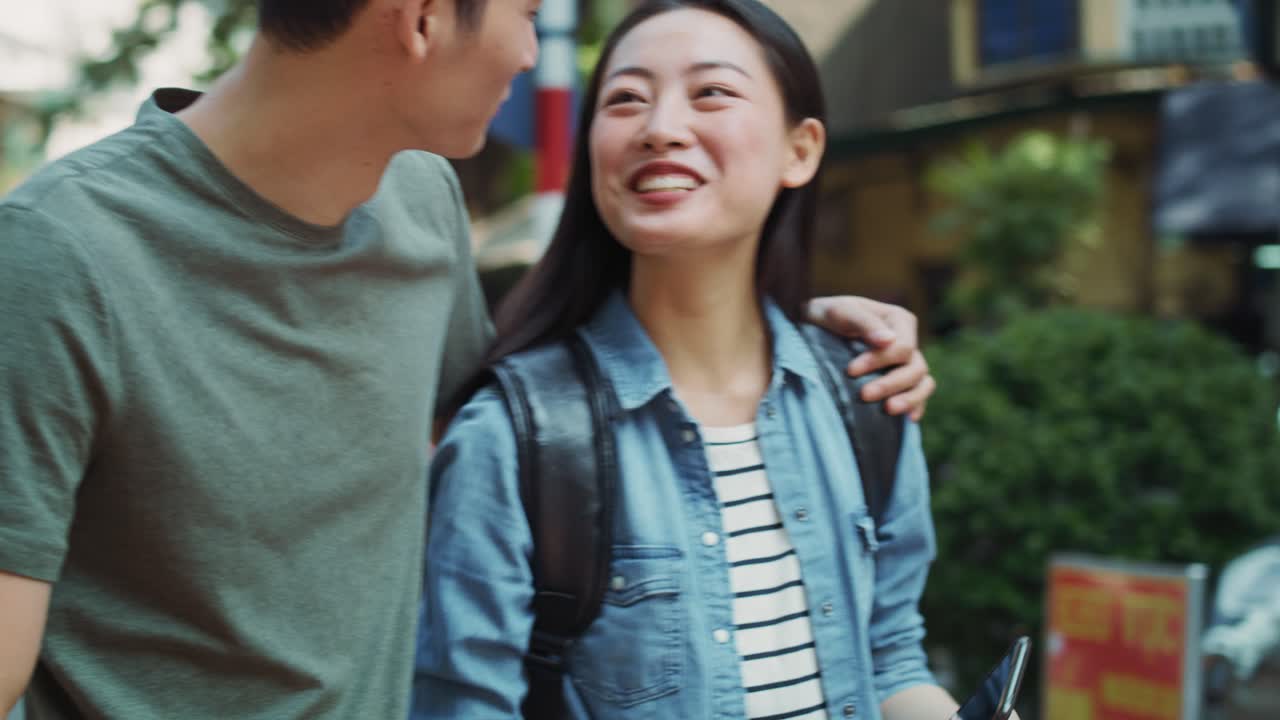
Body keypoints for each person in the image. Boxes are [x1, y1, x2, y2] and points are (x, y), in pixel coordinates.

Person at [0, 0, 936, 718]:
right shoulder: (60, 254)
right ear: (421, 19)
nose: (532, 55)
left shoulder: (421, 202)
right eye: (528, 16)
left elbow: (521, 420)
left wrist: (795, 331)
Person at [412, 1, 960, 719]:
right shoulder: (515, 438)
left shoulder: (864, 394)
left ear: (801, 150)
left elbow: (889, 654)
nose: (661, 128)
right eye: (626, 100)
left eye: (712, 93)